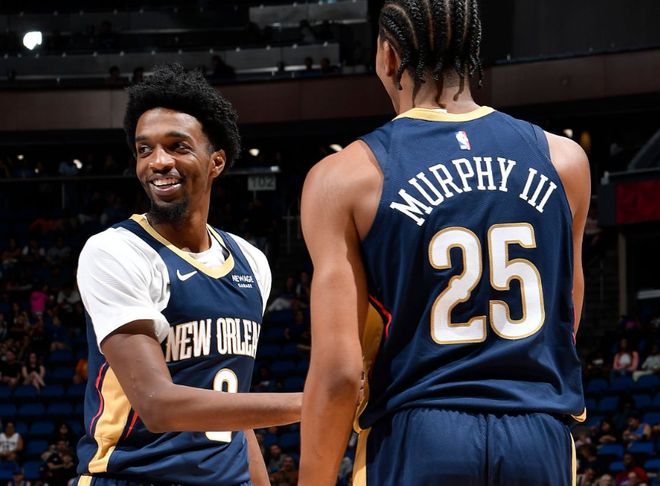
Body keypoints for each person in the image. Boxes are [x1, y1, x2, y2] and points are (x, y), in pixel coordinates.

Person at [298, 1, 591, 485]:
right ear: (473, 51)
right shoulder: (565, 160)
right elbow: (567, 313)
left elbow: (339, 373)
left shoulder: (345, 176)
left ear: (388, 56)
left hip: (418, 430)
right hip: (538, 432)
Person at [75, 63, 301, 485]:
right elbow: (157, 405)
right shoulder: (115, 251)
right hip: (133, 477)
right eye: (145, 150)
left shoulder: (252, 262)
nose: (158, 162)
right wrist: (312, 403)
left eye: (177, 146)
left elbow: (235, 408)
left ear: (216, 162)